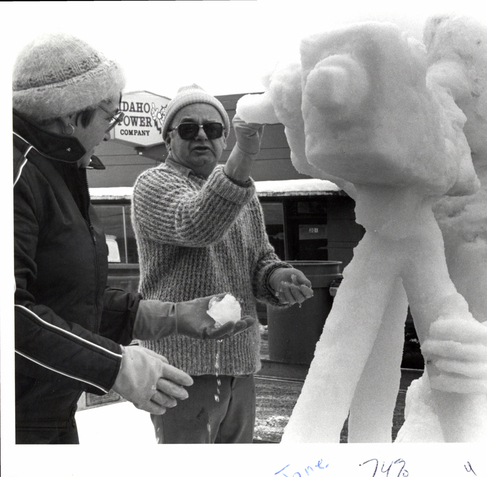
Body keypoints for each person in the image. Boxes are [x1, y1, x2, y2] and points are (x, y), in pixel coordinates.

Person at [13, 33, 253, 444]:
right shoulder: (17, 176)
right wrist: (115, 365)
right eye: (111, 116)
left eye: (214, 128)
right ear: (72, 114)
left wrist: (174, 316)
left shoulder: (56, 172)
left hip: (44, 409)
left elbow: (70, 299)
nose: (110, 133)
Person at [132, 84, 314, 443]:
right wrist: (243, 157)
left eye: (213, 129)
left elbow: (260, 259)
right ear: (168, 139)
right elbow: (197, 224)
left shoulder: (242, 191)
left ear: (222, 138)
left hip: (239, 365)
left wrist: (278, 276)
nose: (202, 135)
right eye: (188, 128)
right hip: (180, 368)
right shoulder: (153, 184)